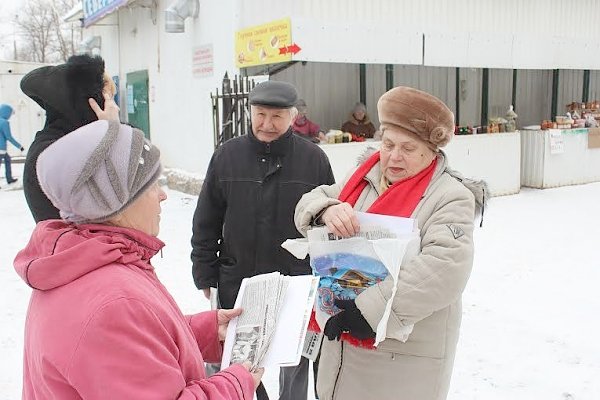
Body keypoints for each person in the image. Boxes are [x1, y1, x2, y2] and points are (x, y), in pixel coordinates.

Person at [14, 118, 263, 399]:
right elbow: (117, 330)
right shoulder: (113, 302)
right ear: (117, 205)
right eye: (151, 184)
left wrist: (204, 331)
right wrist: (234, 385)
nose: (163, 195)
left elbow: (131, 349)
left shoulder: (87, 260)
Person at [295, 86, 488, 400]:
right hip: (343, 353)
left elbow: (445, 268)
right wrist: (328, 209)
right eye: (388, 144)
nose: (394, 156)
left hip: (401, 362)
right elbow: (310, 201)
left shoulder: (450, 196)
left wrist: (369, 310)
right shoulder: (365, 178)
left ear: (431, 151)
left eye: (408, 148)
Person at [191, 80, 335, 400]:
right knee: (237, 359)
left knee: (293, 360)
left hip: (295, 281)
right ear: (250, 112)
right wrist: (203, 270)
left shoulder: (314, 159)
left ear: (293, 117)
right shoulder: (227, 156)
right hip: (239, 279)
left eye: (277, 117)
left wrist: (326, 276)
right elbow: (206, 220)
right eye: (260, 114)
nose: (267, 124)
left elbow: (327, 221)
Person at [20, 54, 118, 222]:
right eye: (108, 99)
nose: (113, 107)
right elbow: (114, 198)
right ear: (90, 103)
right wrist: (110, 131)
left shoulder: (65, 140)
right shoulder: (53, 149)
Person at [0, 103, 24, 187]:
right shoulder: (4, 122)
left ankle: (9, 179)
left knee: (8, 159)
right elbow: (9, 137)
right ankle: (9, 179)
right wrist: (19, 146)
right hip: (1, 148)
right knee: (7, 160)